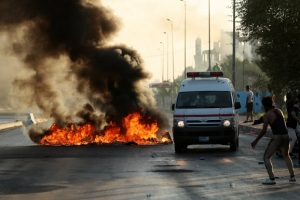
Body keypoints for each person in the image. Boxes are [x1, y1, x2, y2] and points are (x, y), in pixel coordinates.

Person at [251, 96, 296, 185]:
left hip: (277, 137)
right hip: (286, 135)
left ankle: (271, 178)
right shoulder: (279, 111)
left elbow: (264, 130)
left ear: (264, 106)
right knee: (286, 155)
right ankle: (292, 176)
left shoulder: (267, 115)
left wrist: (255, 141)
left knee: (266, 157)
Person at [285, 91, 300, 158]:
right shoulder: (295, 105)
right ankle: (289, 153)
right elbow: (292, 114)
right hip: (291, 125)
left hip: (294, 125)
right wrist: (298, 120)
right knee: (294, 139)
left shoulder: (291, 103)